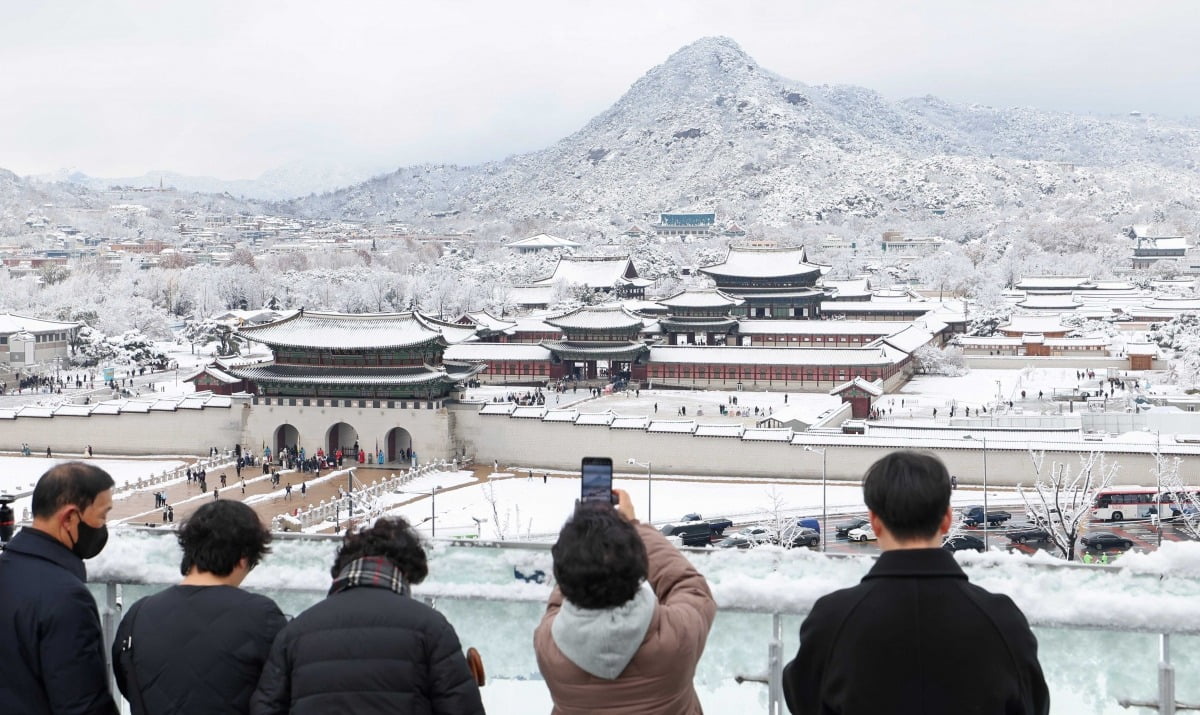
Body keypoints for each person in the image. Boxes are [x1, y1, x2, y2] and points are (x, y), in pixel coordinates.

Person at [782, 451, 1049, 714]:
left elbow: (803, 698)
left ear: (874, 522)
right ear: (946, 519)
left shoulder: (831, 620)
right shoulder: (1002, 620)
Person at [251, 517, 484, 714]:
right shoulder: (432, 628)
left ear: (343, 568)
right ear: (407, 572)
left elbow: (266, 707)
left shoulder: (295, 632)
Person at [535, 489, 716, 714]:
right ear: (639, 567)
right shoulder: (678, 635)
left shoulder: (547, 644)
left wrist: (583, 543)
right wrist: (633, 526)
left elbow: (561, 597)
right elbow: (689, 585)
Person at [113, 500, 285, 714]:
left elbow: (127, 681)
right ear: (243, 558)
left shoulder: (138, 614)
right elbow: (280, 691)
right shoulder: (263, 615)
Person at [0, 461, 118, 714]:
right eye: (102, 515)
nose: (103, 526)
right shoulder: (66, 597)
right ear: (70, 518)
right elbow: (82, 704)